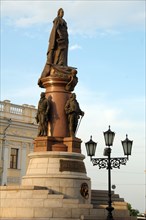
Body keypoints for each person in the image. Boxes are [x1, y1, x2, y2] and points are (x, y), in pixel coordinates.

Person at [38, 8, 68, 87]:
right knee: (58, 52)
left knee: (63, 54)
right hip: (59, 40)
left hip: (64, 40)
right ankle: (57, 64)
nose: (62, 13)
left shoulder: (64, 21)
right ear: (58, 13)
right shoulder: (57, 19)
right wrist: (60, 35)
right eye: (61, 12)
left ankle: (61, 65)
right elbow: (56, 28)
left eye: (63, 12)